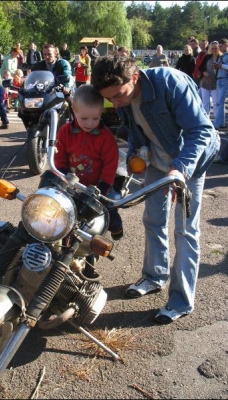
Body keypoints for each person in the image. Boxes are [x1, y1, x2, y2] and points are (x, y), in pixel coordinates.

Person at [91, 55, 220, 324]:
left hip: (189, 162)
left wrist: (180, 170)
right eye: (109, 99)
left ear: (134, 77)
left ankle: (181, 301)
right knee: (153, 220)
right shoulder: (123, 97)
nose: (115, 103)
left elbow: (201, 130)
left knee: (185, 230)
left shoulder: (170, 84)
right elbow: (135, 129)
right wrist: (135, 154)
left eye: (118, 95)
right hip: (158, 161)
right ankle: (154, 276)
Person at [54, 84, 123, 240]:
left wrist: (103, 186)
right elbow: (59, 157)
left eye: (95, 118)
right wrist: (63, 174)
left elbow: (110, 165)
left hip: (98, 185)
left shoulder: (106, 137)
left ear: (101, 113)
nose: (89, 123)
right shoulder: (65, 131)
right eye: (84, 118)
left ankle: (115, 224)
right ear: (74, 111)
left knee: (108, 206)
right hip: (71, 182)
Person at [198, 41, 222, 118]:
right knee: (205, 102)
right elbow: (200, 67)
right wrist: (204, 72)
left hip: (216, 82)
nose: (214, 50)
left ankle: (217, 119)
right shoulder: (207, 57)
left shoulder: (221, 57)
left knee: (215, 102)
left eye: (216, 48)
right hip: (205, 81)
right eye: (213, 48)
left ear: (219, 49)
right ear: (211, 49)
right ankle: (206, 119)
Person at [212, 38, 228, 130]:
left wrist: (221, 65)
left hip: (224, 79)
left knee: (219, 102)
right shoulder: (221, 56)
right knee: (220, 103)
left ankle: (216, 123)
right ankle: (222, 123)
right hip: (219, 79)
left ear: (226, 45)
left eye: (221, 46)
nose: (219, 48)